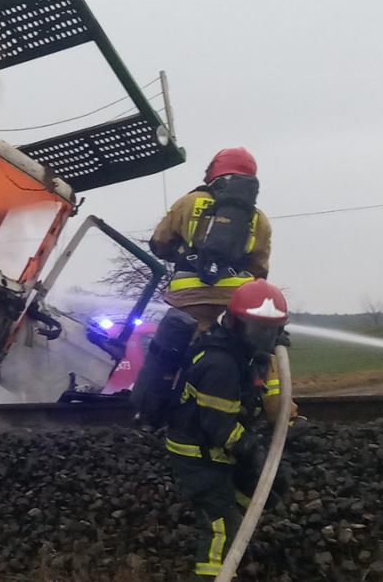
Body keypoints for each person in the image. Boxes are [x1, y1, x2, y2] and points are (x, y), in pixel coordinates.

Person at [134, 148, 274, 426]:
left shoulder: (188, 202)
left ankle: (159, 416)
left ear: (213, 172)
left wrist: (183, 254)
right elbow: (260, 268)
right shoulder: (259, 218)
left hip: (189, 298)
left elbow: (159, 242)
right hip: (237, 302)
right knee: (241, 354)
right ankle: (259, 413)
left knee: (176, 354)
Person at [165, 280, 291, 579]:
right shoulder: (220, 363)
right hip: (198, 454)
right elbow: (218, 427)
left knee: (270, 489)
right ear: (235, 323)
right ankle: (215, 572)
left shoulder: (241, 352)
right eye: (257, 330)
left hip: (222, 447)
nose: (264, 339)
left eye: (270, 330)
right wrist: (252, 448)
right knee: (223, 528)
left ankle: (234, 530)